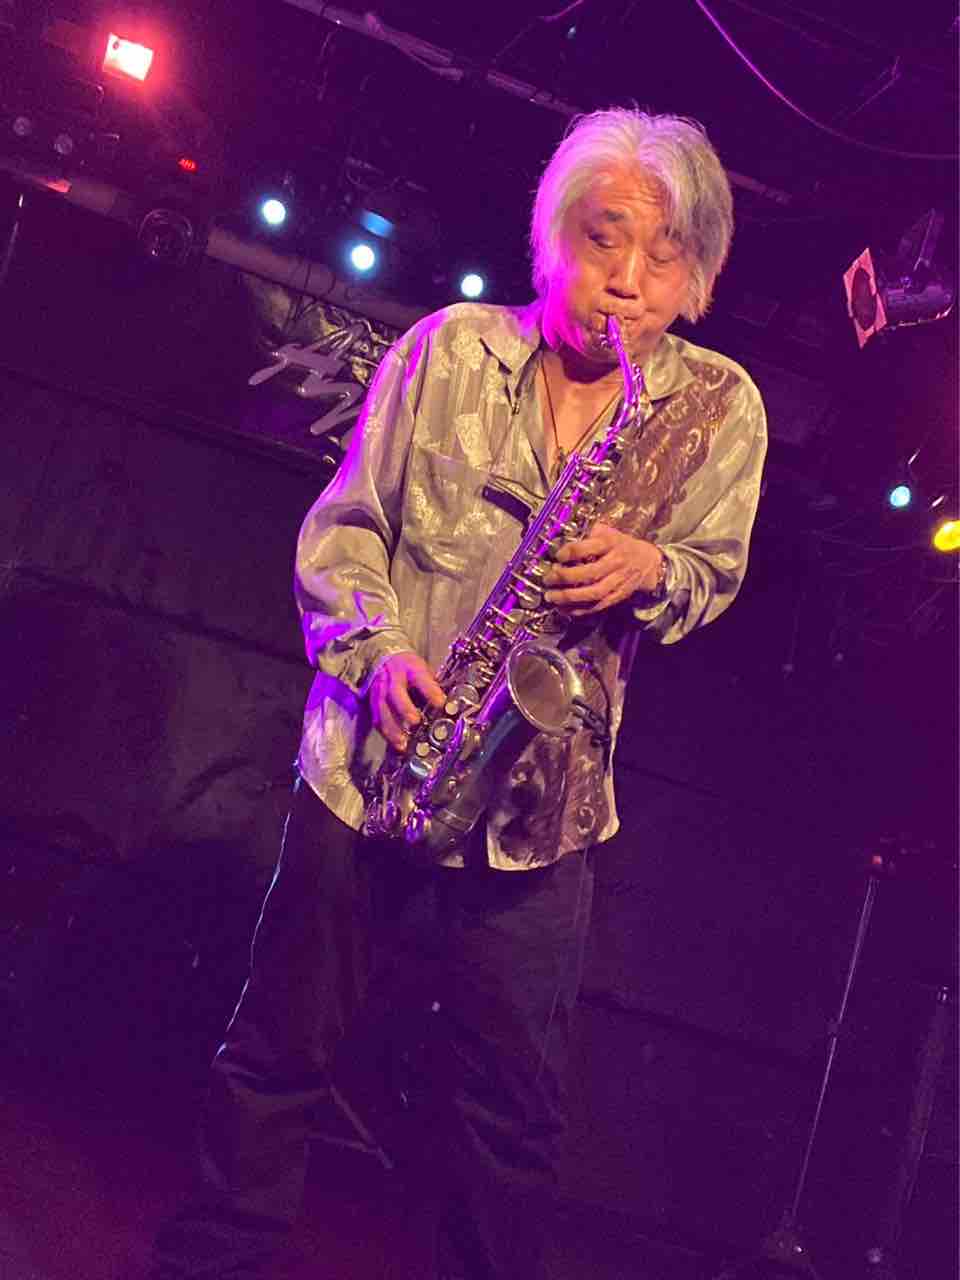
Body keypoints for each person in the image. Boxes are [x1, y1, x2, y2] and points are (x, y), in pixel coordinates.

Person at [150, 107, 766, 1280]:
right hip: (369, 767)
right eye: (604, 238)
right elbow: (345, 532)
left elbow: (713, 573)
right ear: (551, 239)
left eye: (664, 255)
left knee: (511, 1119)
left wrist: (653, 566)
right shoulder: (446, 350)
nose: (627, 280)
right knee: (277, 1052)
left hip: (540, 808)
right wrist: (378, 652)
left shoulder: (719, 408)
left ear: (699, 281)